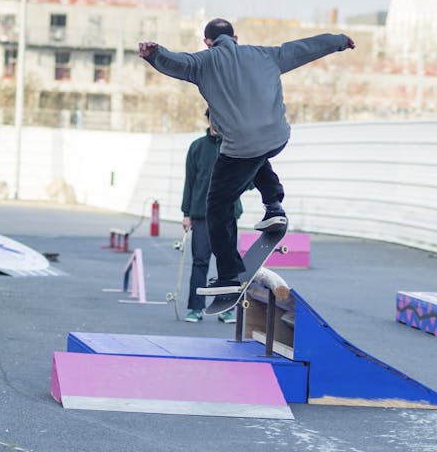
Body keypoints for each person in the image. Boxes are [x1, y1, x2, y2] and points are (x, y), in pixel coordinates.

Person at [139, 18, 354, 312]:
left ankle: (228, 273)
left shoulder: (204, 62)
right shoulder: (266, 54)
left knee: (216, 205)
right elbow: (304, 48)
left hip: (240, 145)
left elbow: (176, 63)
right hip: (277, 135)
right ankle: (274, 206)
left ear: (207, 42)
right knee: (258, 157)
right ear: (236, 37)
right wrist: (339, 40)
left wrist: (154, 54)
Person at [181, 109, 243, 324]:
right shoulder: (197, 147)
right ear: (208, 120)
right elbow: (189, 182)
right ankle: (195, 308)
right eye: (214, 118)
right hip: (201, 215)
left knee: (227, 264)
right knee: (200, 261)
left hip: (227, 215)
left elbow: (249, 177)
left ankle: (226, 309)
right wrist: (186, 213)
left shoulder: (234, 146)